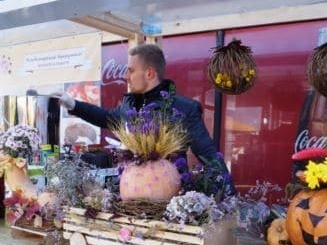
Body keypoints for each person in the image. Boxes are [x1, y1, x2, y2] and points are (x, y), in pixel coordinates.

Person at [53, 44, 235, 196]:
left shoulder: (184, 108)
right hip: (130, 193)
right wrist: (73, 105)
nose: (126, 77)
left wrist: (231, 200)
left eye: (131, 71)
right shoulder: (129, 105)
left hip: (168, 198)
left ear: (149, 74)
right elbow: (107, 118)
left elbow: (210, 157)